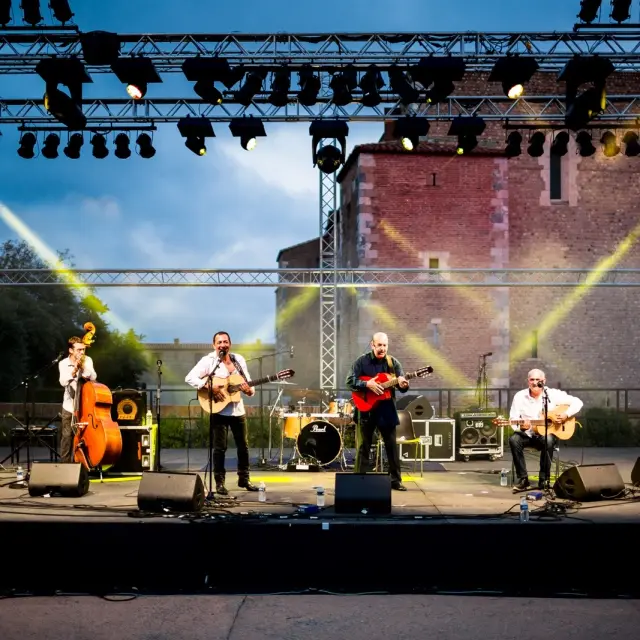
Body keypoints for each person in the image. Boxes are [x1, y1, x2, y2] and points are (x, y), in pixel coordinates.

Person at [185, 331, 258, 495]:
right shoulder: (208, 361)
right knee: (220, 448)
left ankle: (244, 479)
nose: (222, 345)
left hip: (238, 409)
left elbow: (247, 382)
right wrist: (209, 387)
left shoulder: (238, 360)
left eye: (225, 342)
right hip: (218, 410)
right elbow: (190, 378)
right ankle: (219, 483)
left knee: (243, 447)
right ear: (214, 345)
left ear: (230, 344)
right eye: (219, 342)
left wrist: (249, 390)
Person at [346, 332, 410, 491]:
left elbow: (402, 386)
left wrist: (403, 385)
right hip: (366, 408)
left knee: (391, 446)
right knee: (364, 446)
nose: (382, 348)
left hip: (386, 408)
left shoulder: (393, 363)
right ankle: (359, 481)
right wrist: (367, 385)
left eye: (385, 345)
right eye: (379, 345)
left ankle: (395, 481)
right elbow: (349, 381)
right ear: (372, 344)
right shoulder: (361, 362)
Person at [509, 368, 583, 490]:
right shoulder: (519, 396)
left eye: (538, 380)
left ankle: (544, 479)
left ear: (544, 381)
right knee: (513, 440)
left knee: (548, 440)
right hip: (527, 435)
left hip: (545, 436)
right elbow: (513, 418)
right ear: (528, 381)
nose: (534, 382)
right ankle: (523, 479)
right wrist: (521, 426)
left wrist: (566, 415)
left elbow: (578, 402)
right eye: (532, 379)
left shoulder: (552, 394)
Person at [58, 336, 97, 463]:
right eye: (79, 350)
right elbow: (63, 381)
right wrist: (74, 371)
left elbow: (93, 376)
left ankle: (85, 463)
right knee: (67, 436)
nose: (82, 352)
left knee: (86, 436)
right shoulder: (63, 363)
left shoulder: (88, 360)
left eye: (83, 350)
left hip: (85, 406)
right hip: (69, 406)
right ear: (71, 350)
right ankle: (65, 464)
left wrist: (83, 367)